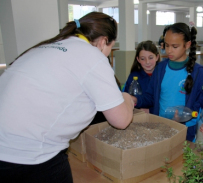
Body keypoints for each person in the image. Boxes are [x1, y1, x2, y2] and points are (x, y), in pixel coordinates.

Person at [0, 12, 134, 183]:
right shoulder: (91, 55)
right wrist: (126, 99)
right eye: (109, 48)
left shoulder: (45, 47)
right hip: (29, 154)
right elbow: (121, 121)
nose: (106, 55)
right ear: (103, 41)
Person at [132, 23, 203, 142]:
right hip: (160, 127)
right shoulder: (160, 68)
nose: (169, 50)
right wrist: (135, 100)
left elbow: (200, 104)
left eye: (175, 46)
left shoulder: (198, 72)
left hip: (184, 131)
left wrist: (183, 119)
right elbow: (150, 97)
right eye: (166, 45)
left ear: (187, 45)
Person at [123, 40, 160, 113]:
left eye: (151, 58)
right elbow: (127, 99)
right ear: (138, 59)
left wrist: (151, 110)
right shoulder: (133, 76)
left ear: (157, 57)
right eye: (143, 59)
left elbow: (164, 101)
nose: (147, 62)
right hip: (138, 115)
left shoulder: (162, 75)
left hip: (159, 116)